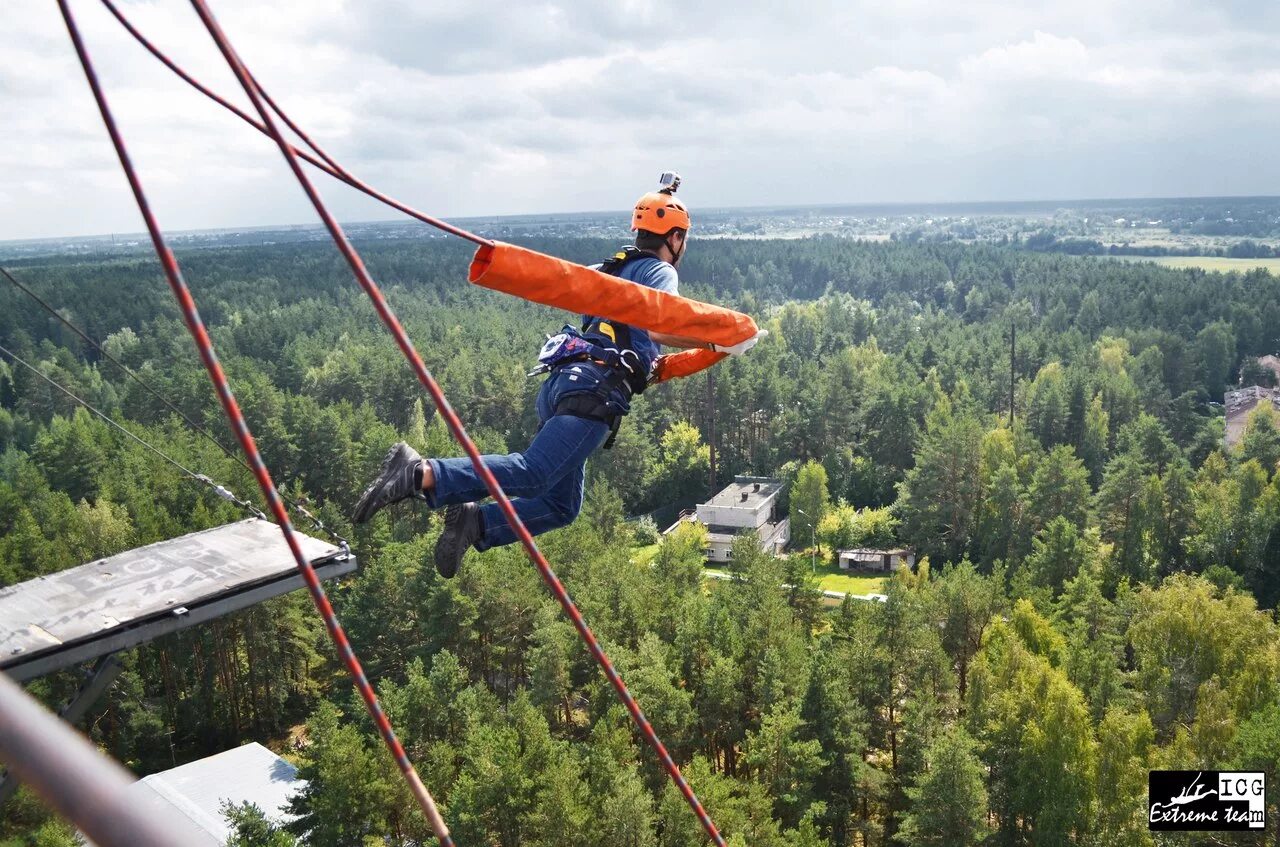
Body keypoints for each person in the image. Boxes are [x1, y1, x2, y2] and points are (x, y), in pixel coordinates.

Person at [352, 174, 766, 577]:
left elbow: (657, 367)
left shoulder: (610, 273)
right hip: (594, 392)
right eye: (682, 240)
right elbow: (660, 323)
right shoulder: (659, 273)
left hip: (566, 386)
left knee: (560, 506)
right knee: (533, 472)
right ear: (676, 239)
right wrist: (717, 331)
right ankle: (422, 472)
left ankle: (477, 523)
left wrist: (716, 350)